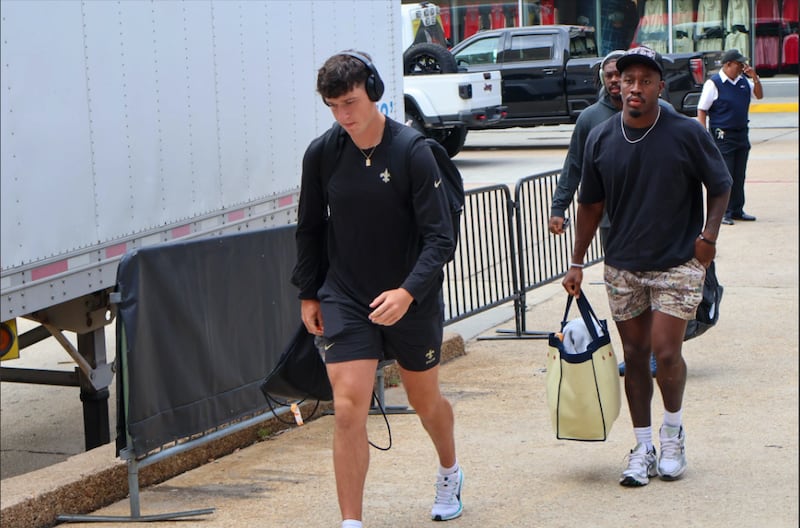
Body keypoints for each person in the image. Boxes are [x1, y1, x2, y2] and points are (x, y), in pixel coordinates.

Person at [291, 51, 463, 527]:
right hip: (345, 294)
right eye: (333, 107)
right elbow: (308, 228)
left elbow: (440, 238)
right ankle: (351, 521)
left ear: (374, 92)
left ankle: (449, 470)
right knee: (347, 407)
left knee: (425, 402)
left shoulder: (413, 151)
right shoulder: (322, 153)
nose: (343, 116)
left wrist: (407, 292)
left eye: (350, 102)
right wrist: (309, 292)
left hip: (412, 296)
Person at [562, 47, 732, 487]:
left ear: (660, 86)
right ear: (616, 83)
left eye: (644, 81)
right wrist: (577, 261)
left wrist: (708, 236)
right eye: (626, 79)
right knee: (634, 356)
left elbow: (720, 183)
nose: (633, 87)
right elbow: (590, 204)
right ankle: (642, 446)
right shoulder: (602, 136)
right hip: (623, 265)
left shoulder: (685, 133)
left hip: (677, 261)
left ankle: (672, 433)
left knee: (665, 351)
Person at [549, 49, 673, 377]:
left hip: (656, 218)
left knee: (657, 284)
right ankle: (639, 352)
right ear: (603, 80)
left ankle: (660, 349)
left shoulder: (665, 114)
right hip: (610, 220)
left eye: (623, 76)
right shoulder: (591, 118)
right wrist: (558, 206)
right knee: (626, 289)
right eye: (610, 76)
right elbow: (574, 164)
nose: (617, 82)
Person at [697, 48, 764, 225]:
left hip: (741, 132)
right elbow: (702, 109)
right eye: (739, 64)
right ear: (728, 65)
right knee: (726, 174)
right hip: (723, 135)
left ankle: (737, 209)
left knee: (739, 174)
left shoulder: (743, 81)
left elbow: (759, 95)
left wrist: (754, 77)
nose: (742, 67)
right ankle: (724, 212)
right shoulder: (714, 83)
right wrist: (704, 133)